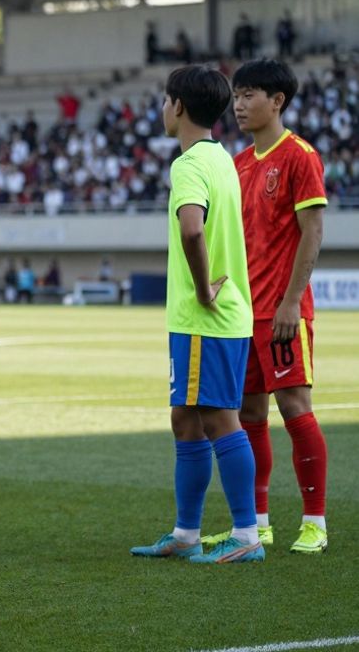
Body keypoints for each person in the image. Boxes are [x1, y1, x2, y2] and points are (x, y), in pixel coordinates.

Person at [130, 64, 259, 564]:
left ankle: (246, 535)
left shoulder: (187, 166)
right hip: (210, 319)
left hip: (207, 317)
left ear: (178, 106)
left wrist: (203, 289)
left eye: (166, 100)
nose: (163, 109)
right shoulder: (221, 158)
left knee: (220, 419)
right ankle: (186, 534)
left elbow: (191, 228)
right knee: (185, 418)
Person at [202, 59, 328, 555]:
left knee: (295, 408)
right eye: (236, 96)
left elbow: (312, 231)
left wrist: (292, 301)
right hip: (241, 312)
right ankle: (257, 523)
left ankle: (315, 522)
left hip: (281, 311)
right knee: (249, 413)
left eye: (249, 94)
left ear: (277, 101)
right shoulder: (237, 164)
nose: (238, 104)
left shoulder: (299, 156)